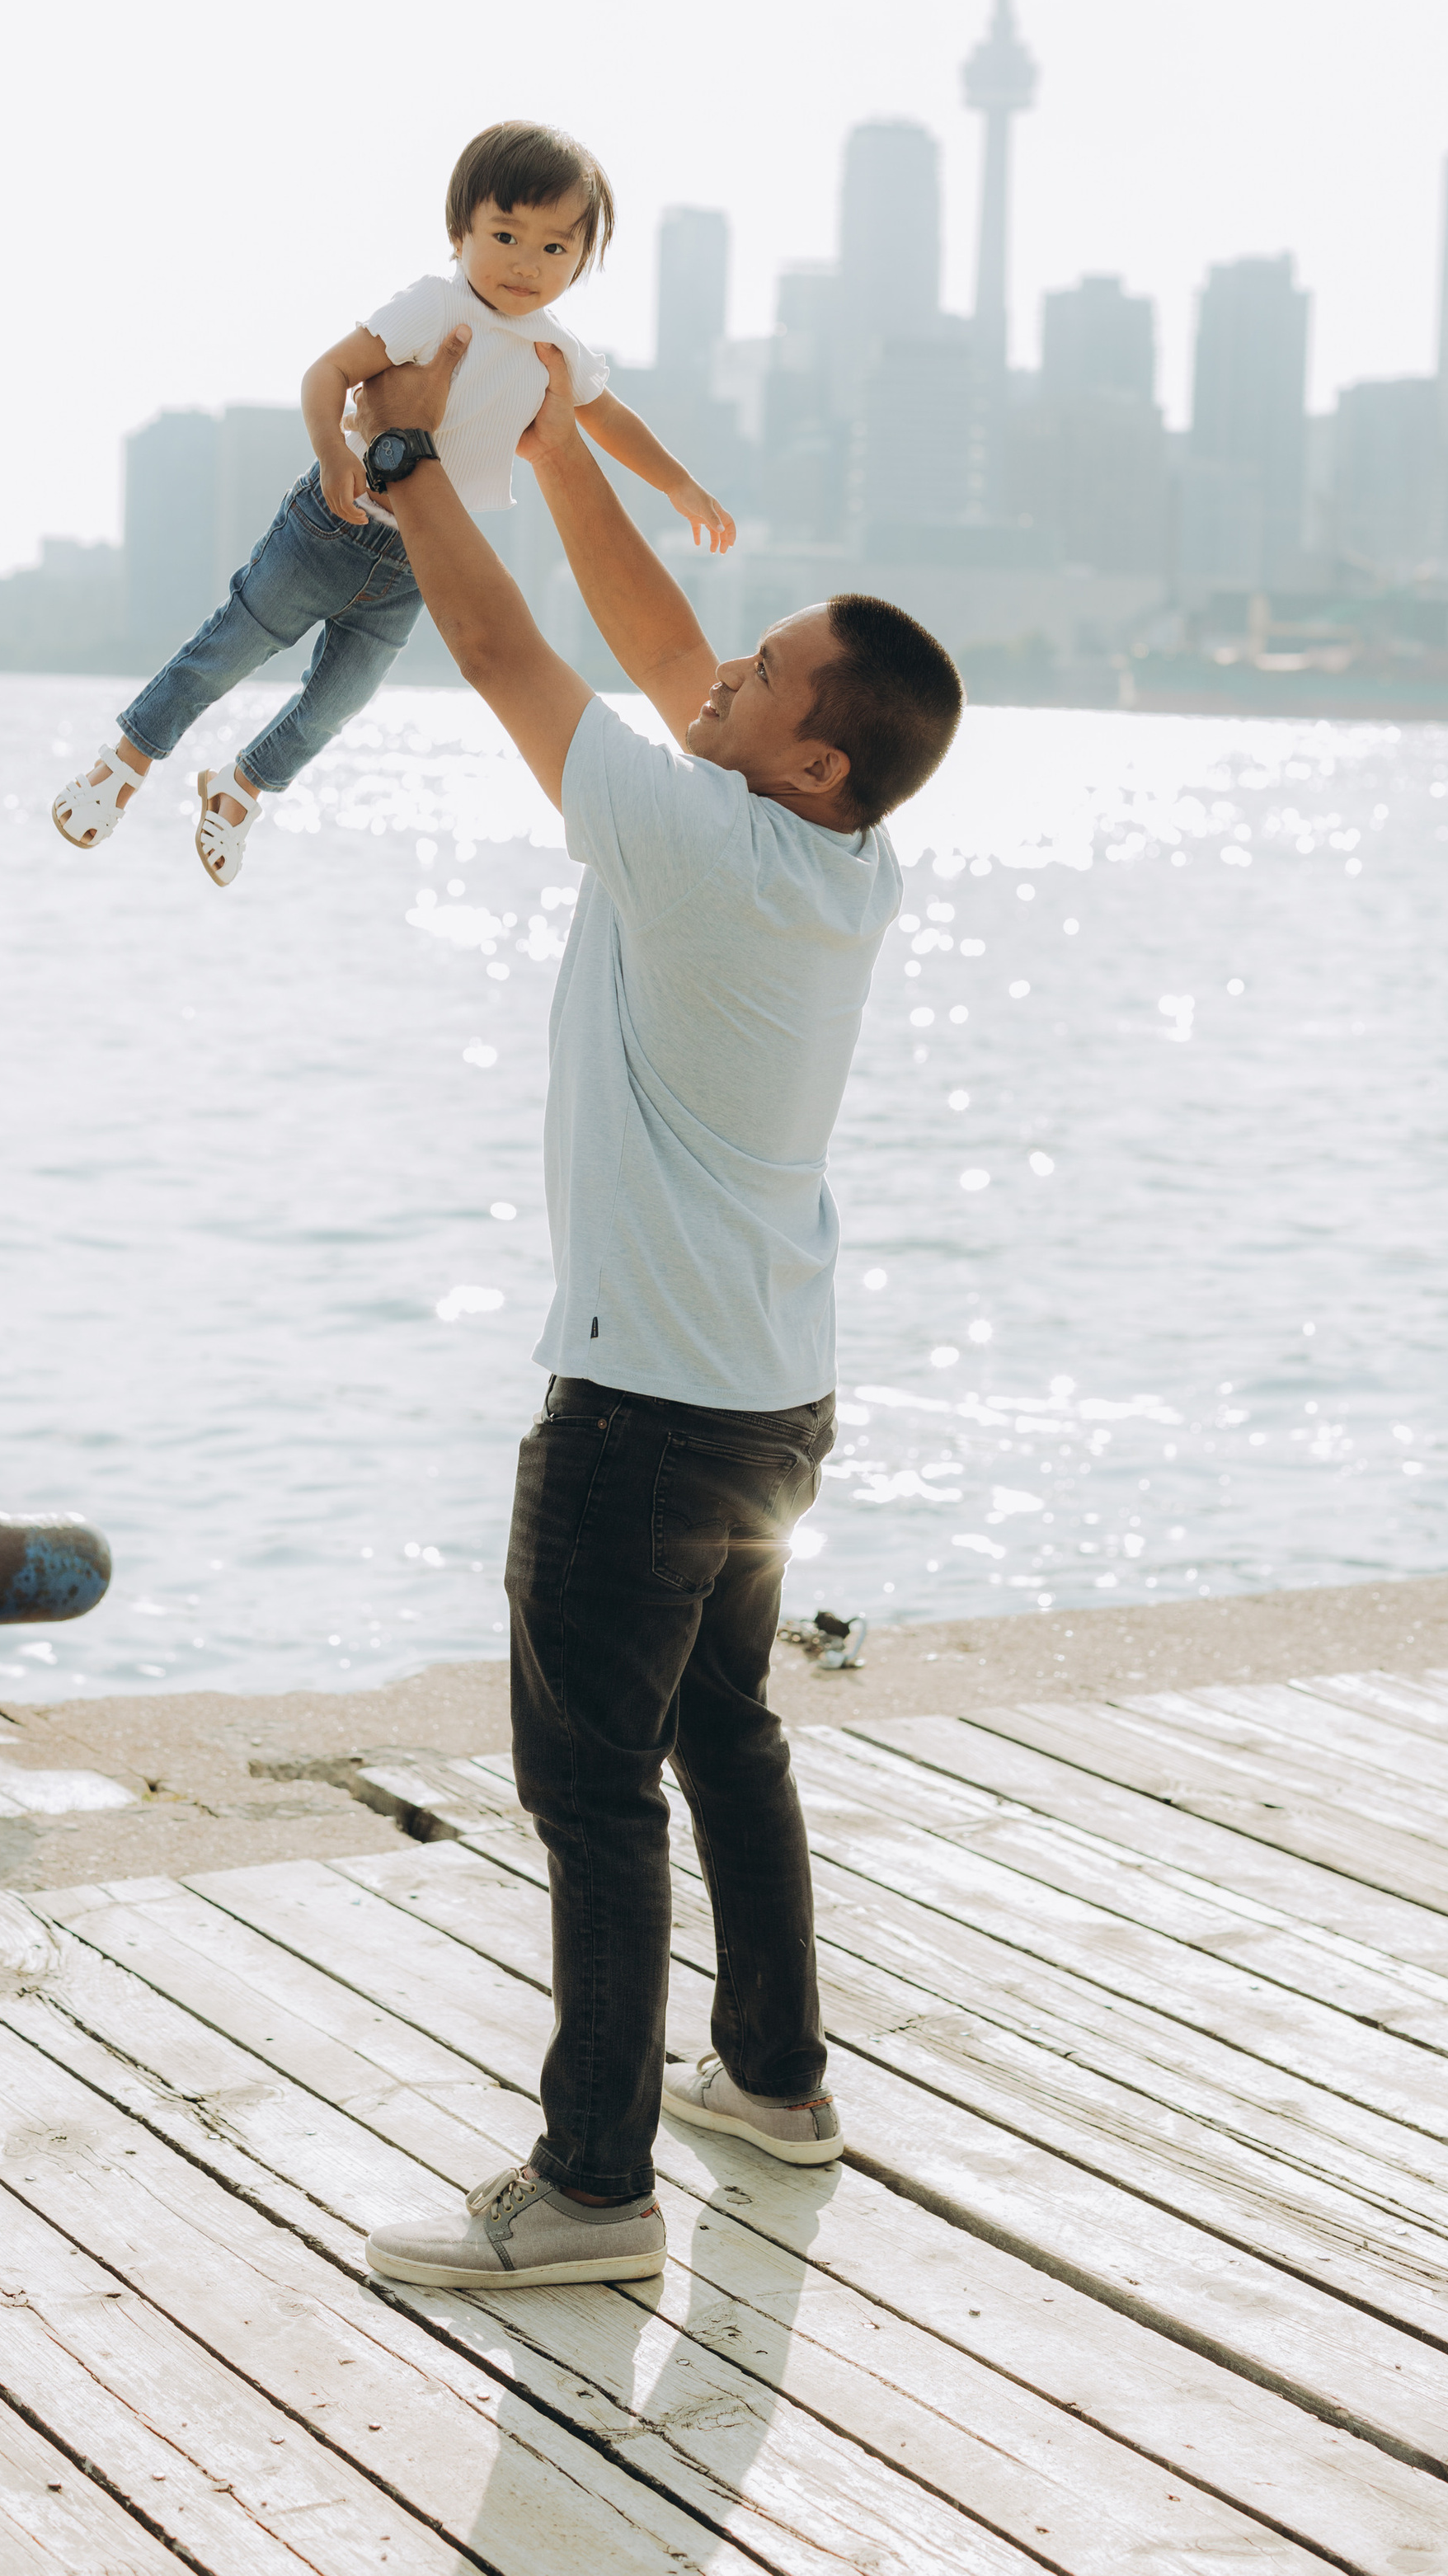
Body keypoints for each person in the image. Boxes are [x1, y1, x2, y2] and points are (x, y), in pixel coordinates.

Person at [351, 330, 963, 2292]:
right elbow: (648, 628)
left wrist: (404, 462)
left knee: (593, 1791)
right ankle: (772, 2082)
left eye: (758, 671)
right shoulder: (837, 855)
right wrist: (546, 441)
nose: (715, 669)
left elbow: (508, 651)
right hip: (769, 1399)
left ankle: (591, 2189)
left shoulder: (692, 833)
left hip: (637, 1417)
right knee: (724, 1732)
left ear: (802, 749)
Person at [49, 120, 732, 887]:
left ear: (583, 258)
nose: (527, 264)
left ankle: (241, 788)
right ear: (459, 229)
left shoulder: (556, 348)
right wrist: (331, 452)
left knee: (338, 703)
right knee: (230, 649)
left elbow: (608, 420)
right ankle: (123, 766)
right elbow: (328, 372)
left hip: (420, 558)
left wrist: (677, 483)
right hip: (331, 524)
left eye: (555, 247)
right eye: (506, 234)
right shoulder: (434, 307)